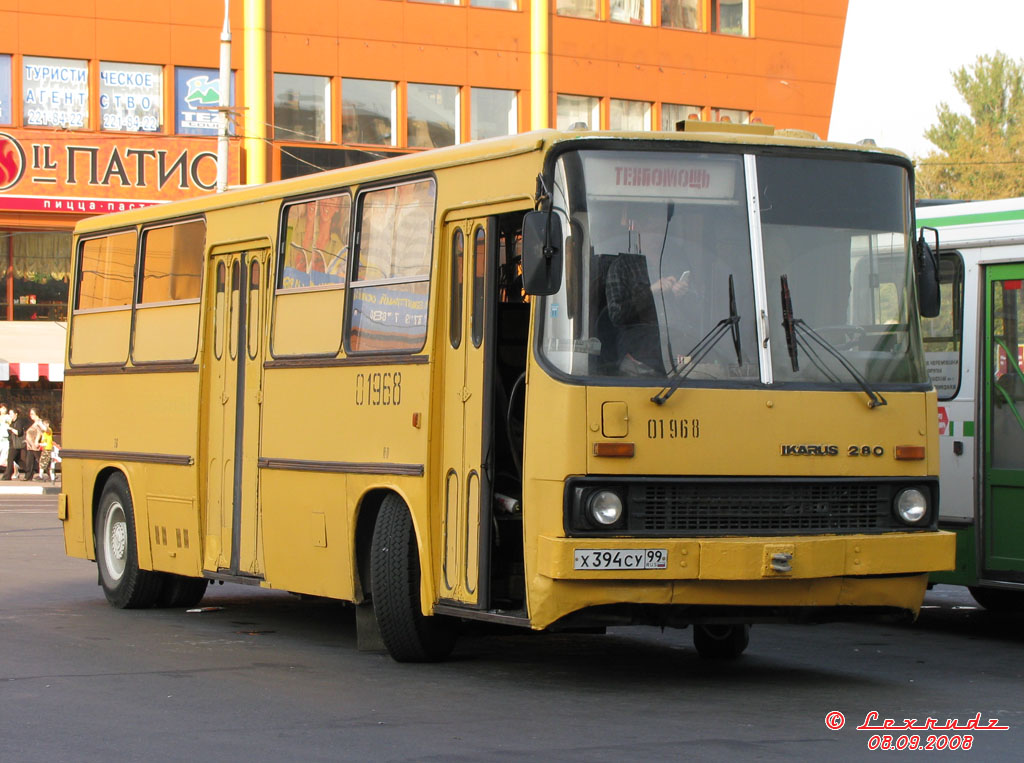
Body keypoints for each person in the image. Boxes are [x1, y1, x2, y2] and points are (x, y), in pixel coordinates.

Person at [3, 407, 29, 480]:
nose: (10, 415)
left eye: (11, 414)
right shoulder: (12, 422)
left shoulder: (19, 422)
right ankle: (28, 470)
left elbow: (19, 432)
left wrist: (10, 428)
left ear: (16, 414)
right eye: (9, 414)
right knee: (17, 459)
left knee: (10, 459)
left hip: (15, 444)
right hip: (12, 442)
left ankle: (7, 475)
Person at [24, 409, 43, 481]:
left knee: (40, 459)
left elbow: (40, 432)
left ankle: (50, 474)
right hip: (30, 446)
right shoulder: (34, 423)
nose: (30, 415)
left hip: (35, 445)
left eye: (32, 414)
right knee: (29, 461)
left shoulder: (39, 422)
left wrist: (36, 441)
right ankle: (28, 476)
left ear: (36, 414)